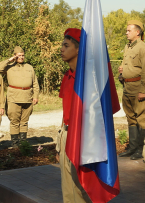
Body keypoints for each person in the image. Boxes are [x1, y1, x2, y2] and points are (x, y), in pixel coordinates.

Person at [56, 28, 91, 203]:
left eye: (66, 45)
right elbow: (65, 112)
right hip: (67, 134)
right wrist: (59, 141)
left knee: (83, 186)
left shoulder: (88, 79)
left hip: (83, 136)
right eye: (62, 45)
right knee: (68, 187)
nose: (61, 49)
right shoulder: (67, 77)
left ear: (78, 49)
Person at [118, 20, 145, 160]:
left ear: (137, 32)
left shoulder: (143, 48)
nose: (126, 33)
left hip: (138, 87)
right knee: (131, 118)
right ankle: (132, 148)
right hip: (127, 87)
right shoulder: (128, 47)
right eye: (126, 30)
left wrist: (143, 90)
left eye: (129, 30)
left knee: (141, 119)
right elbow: (127, 65)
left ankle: (140, 149)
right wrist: (122, 72)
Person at [0, 46, 39, 148]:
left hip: (27, 97)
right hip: (14, 98)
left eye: (23, 55)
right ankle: (15, 144)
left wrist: (36, 96)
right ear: (15, 56)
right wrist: (10, 60)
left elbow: (35, 84)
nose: (21, 57)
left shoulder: (29, 67)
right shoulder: (9, 67)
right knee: (15, 121)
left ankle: (23, 143)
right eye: (19, 55)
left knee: (24, 121)